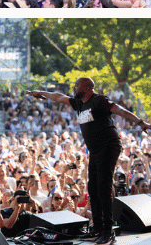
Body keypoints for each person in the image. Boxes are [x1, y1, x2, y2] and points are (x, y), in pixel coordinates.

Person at [27, 78, 151, 245]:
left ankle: (108, 231)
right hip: (95, 150)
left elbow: (119, 110)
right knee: (92, 188)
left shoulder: (98, 100)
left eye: (77, 85)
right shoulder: (79, 103)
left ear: (86, 88)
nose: (73, 87)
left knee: (104, 187)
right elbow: (58, 97)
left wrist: (140, 122)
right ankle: (98, 228)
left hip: (109, 145)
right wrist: (40, 93)